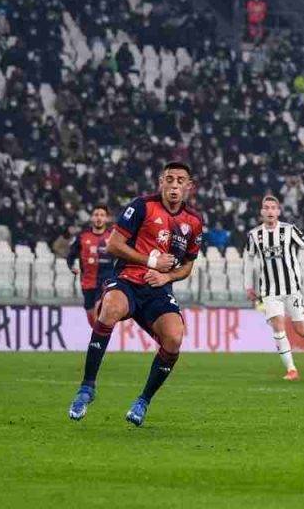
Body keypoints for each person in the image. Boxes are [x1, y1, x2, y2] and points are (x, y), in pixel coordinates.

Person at [67, 162, 204, 427]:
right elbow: (113, 245)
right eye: (170, 180)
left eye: (180, 181)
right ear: (161, 182)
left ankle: (143, 401)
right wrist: (151, 262)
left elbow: (187, 265)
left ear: (189, 187)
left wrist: (166, 276)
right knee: (109, 309)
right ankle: (87, 387)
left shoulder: (194, 222)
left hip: (158, 290)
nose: (174, 186)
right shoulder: (141, 206)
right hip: (128, 279)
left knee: (174, 338)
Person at [244, 195, 304, 380]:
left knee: (302, 331)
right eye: (266, 208)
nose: (270, 211)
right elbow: (248, 260)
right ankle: (291, 369)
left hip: (292, 289)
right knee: (278, 326)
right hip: (270, 292)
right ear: (262, 212)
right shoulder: (255, 235)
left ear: (278, 212)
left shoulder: (289, 230)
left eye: (273, 208)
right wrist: (248, 286)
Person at [67, 205, 116, 328]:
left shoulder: (112, 236)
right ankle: (98, 338)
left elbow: (122, 254)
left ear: (106, 219)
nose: (99, 218)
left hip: (106, 281)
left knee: (99, 310)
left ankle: (99, 340)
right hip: (87, 282)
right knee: (91, 315)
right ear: (92, 218)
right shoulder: (83, 236)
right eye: (96, 215)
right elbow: (71, 255)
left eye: (102, 215)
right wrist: (71, 266)